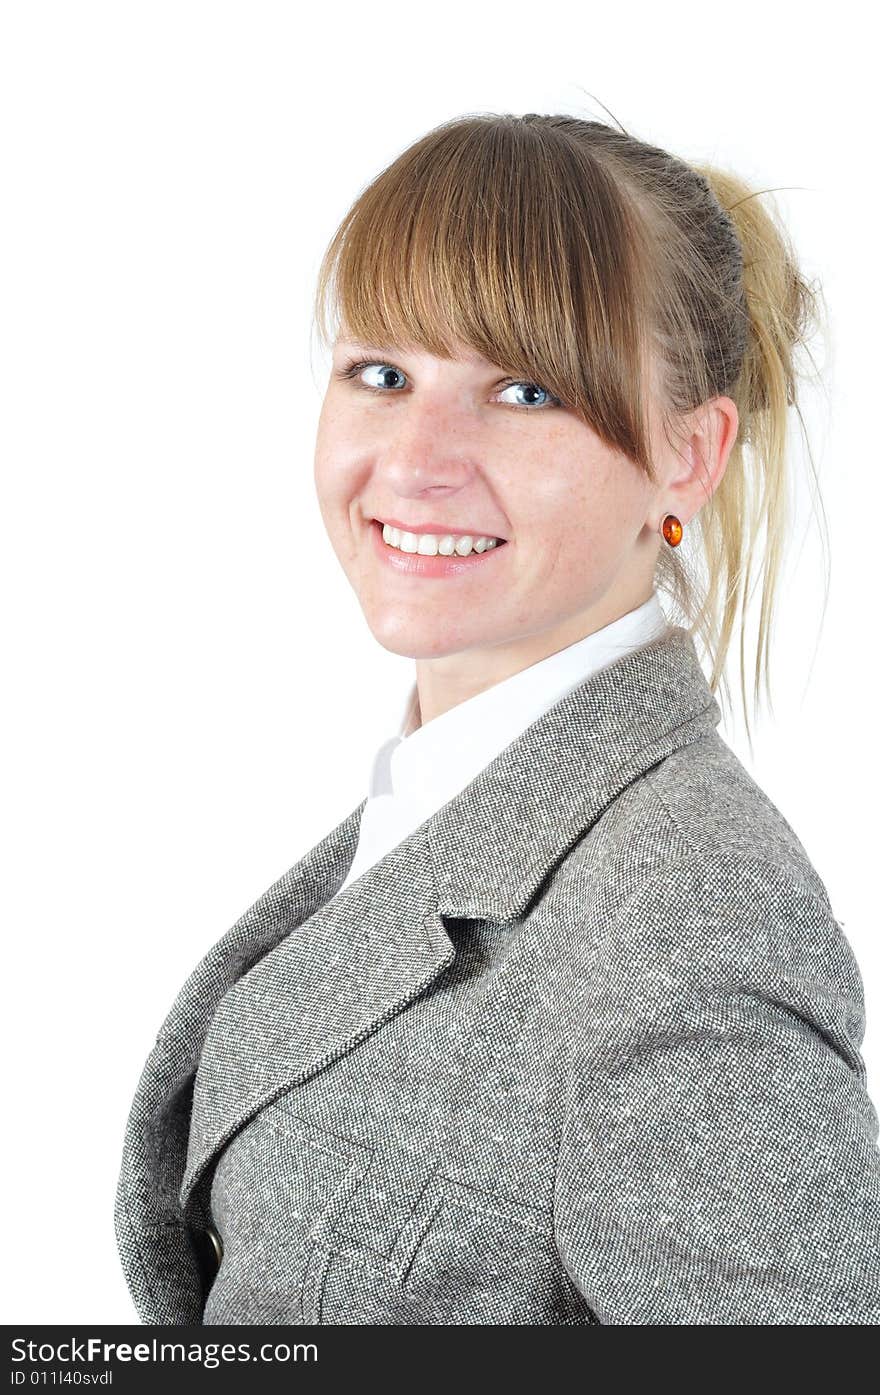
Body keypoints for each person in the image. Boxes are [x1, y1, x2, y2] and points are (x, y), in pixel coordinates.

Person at [114, 110, 880, 1325]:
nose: (415, 462)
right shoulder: (442, 802)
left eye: (524, 392)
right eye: (383, 375)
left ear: (689, 454)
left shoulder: (686, 916)